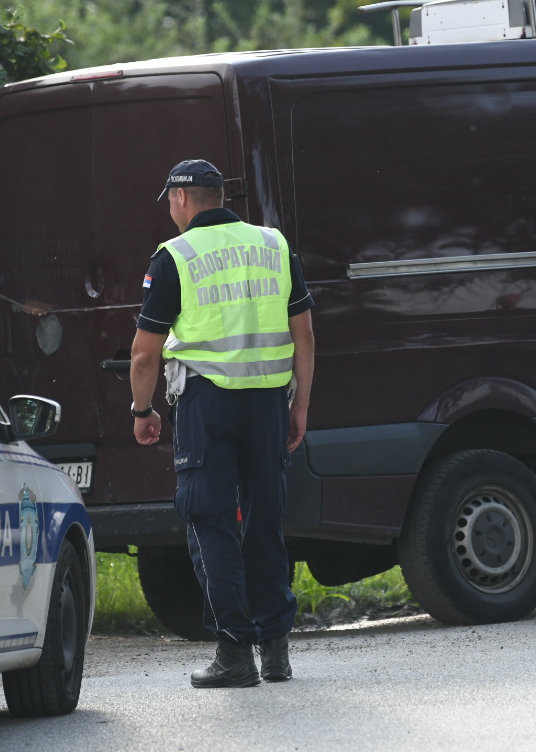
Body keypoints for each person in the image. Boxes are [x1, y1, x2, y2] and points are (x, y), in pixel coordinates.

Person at [129, 159, 315, 687]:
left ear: (184, 198)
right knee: (264, 519)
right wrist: (298, 405)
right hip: (267, 403)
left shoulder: (176, 256)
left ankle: (235, 652)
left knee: (209, 517)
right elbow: (304, 334)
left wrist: (143, 412)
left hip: (208, 403)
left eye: (169, 199)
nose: (169, 209)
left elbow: (145, 354)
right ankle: (276, 650)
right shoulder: (273, 245)